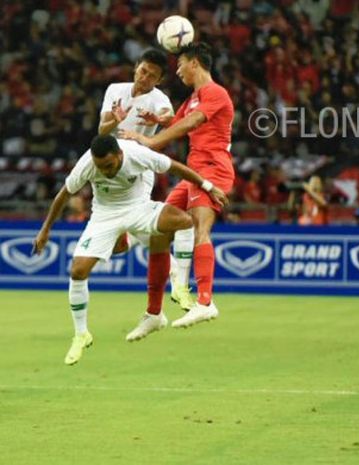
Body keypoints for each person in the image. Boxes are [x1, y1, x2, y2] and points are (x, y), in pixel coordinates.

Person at [32, 135, 228, 365]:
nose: (104, 171)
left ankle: (181, 287)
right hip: (104, 216)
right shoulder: (87, 164)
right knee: (77, 272)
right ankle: (81, 334)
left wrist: (208, 186)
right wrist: (45, 230)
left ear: (119, 155)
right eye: (100, 167)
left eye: (109, 166)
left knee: (184, 221)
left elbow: (175, 168)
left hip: (138, 208)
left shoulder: (137, 154)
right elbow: (63, 195)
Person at [119, 43, 235, 328]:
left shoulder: (215, 93)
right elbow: (177, 119)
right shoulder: (194, 97)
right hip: (193, 170)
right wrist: (157, 120)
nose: (178, 71)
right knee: (159, 228)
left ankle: (205, 302)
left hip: (212, 168)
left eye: (181, 64)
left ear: (194, 63)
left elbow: (191, 123)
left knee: (200, 230)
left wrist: (151, 140)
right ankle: (154, 312)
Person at [98, 49, 196, 311]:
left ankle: (177, 277)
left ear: (159, 80)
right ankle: (133, 241)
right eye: (143, 71)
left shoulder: (158, 98)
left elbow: (170, 118)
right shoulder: (114, 90)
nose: (145, 78)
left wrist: (160, 120)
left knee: (135, 221)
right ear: (136, 67)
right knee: (120, 241)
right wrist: (115, 121)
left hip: (139, 169)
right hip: (110, 171)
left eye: (152, 76)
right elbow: (101, 130)